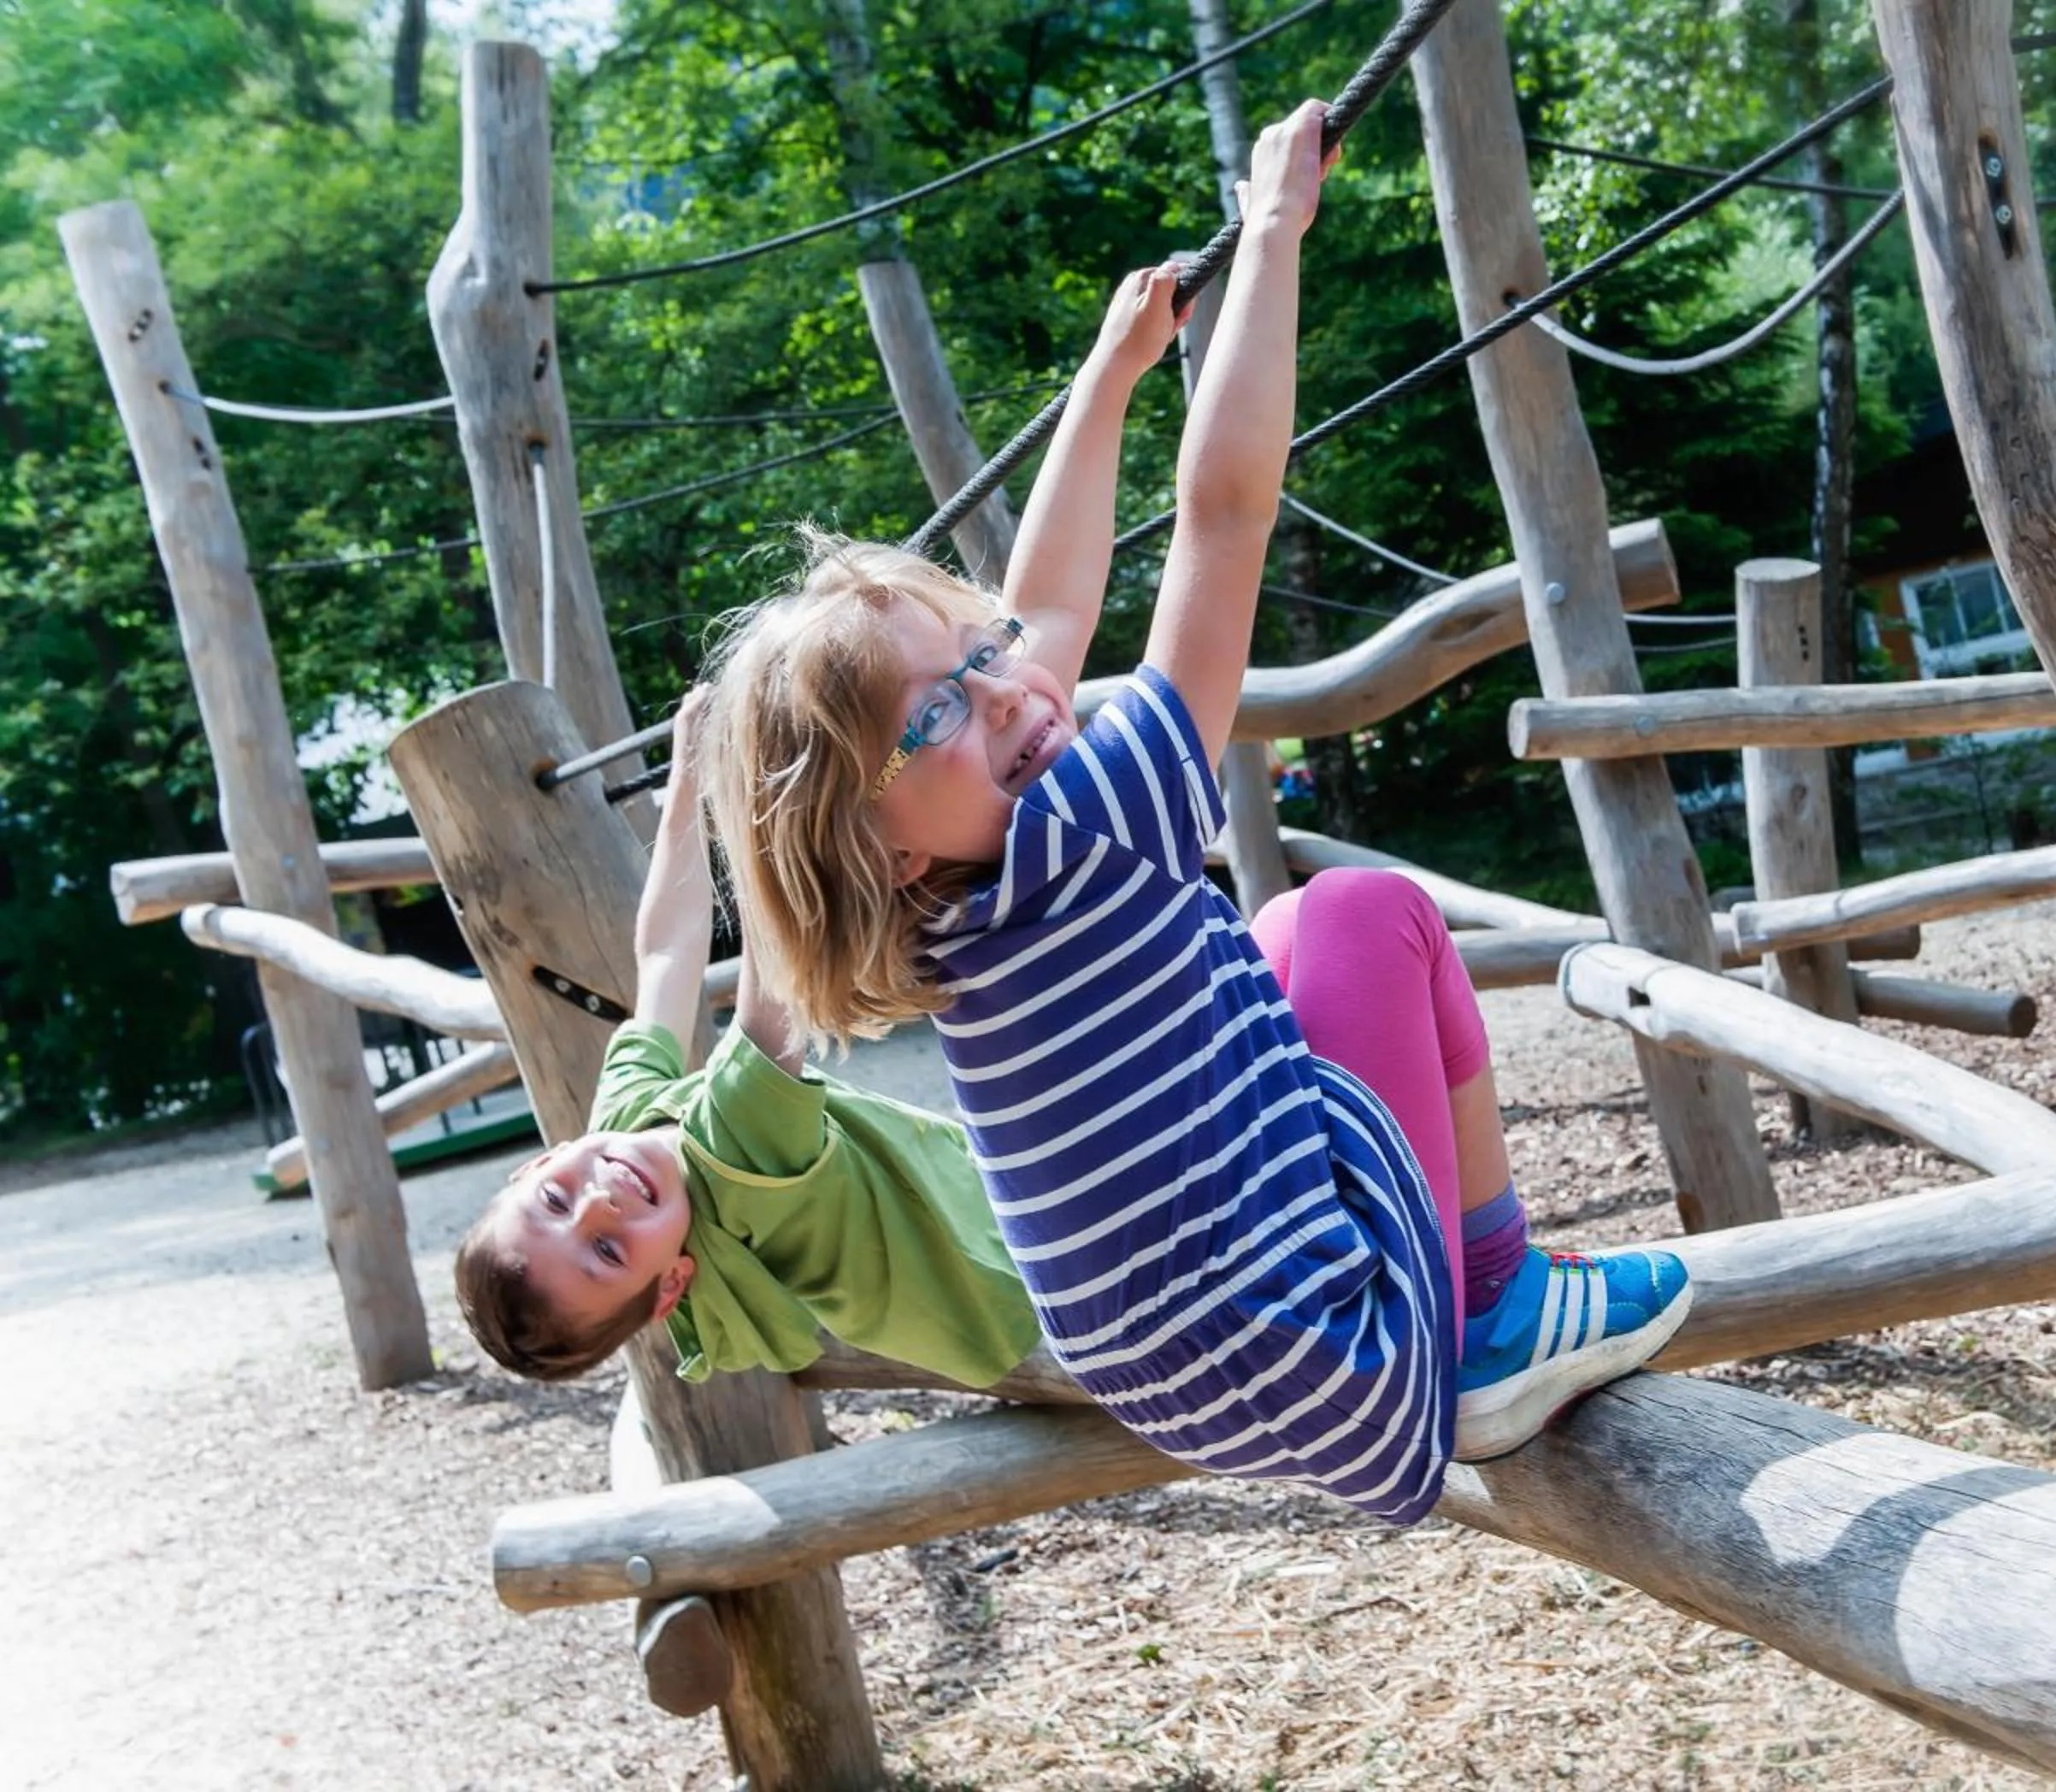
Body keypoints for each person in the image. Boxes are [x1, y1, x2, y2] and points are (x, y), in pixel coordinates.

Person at [697, 101, 1691, 1526]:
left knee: (1278, 935)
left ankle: (1460, 1307)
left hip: (1177, 1388)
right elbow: (1225, 516)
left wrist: (1107, 378)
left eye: (983, 657)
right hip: (1348, 1358)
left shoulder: (943, 910)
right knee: (1363, 915)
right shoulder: (1088, 832)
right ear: (878, 838)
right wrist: (1274, 230)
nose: (1010, 694)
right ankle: (1494, 1304)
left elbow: (1042, 618)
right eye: (940, 713)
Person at [452, 687, 1040, 1390]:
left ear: (538, 1163)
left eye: (554, 1200)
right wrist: (757, 751)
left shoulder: (627, 1122)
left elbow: (666, 954)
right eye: (607, 1251)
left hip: (989, 1269)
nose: (599, 1204)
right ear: (671, 1286)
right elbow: (776, 937)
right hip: (1028, 1281)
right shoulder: (736, 1155)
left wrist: (688, 773)